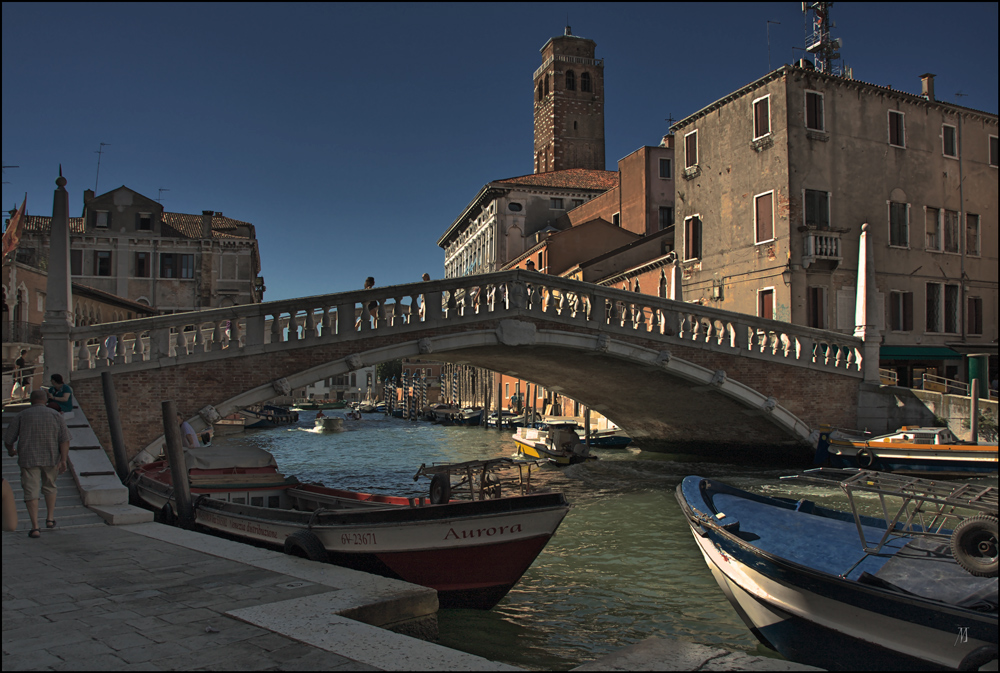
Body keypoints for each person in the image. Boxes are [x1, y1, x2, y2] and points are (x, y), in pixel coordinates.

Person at [4, 388, 71, 538]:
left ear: (31, 400)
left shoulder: (21, 415)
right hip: (51, 458)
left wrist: (11, 450)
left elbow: (8, 439)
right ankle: (50, 518)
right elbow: (64, 439)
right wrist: (64, 460)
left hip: (28, 459)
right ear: (45, 401)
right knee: (50, 486)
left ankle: (35, 527)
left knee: (30, 490)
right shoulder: (56, 416)